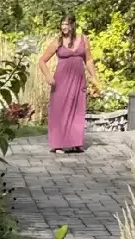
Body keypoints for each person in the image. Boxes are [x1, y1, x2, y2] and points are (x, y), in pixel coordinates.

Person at [38, 15, 101, 154]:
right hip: (61, 82)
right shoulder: (58, 42)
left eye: (66, 24)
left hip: (79, 80)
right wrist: (48, 77)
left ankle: (75, 143)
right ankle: (58, 144)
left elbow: (89, 60)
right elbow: (41, 61)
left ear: (73, 25)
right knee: (59, 111)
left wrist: (95, 79)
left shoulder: (83, 39)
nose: (64, 27)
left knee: (77, 110)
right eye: (62, 24)